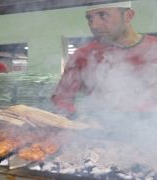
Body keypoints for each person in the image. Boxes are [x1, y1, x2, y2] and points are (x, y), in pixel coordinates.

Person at [50, 2, 157, 143]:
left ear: (128, 15)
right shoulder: (82, 55)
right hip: (100, 135)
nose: (94, 25)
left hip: (149, 133)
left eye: (103, 15)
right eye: (89, 18)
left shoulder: (153, 48)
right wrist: (80, 118)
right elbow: (60, 99)